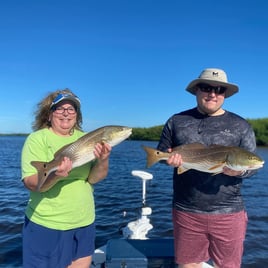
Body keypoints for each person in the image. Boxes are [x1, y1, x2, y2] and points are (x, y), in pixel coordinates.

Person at [157, 68, 258, 268]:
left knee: (229, 265)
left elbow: (253, 164)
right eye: (206, 87)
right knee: (189, 264)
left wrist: (241, 171)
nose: (212, 94)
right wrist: (168, 160)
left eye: (219, 89)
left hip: (229, 212)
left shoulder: (240, 125)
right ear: (196, 90)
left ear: (224, 94)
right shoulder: (177, 121)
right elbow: (161, 154)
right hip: (186, 210)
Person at [21, 88, 112, 268]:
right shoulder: (37, 139)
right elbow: (31, 182)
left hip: (84, 221)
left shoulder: (87, 138)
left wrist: (103, 160)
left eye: (71, 109)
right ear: (49, 114)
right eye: (59, 108)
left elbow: (93, 179)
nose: (66, 113)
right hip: (47, 223)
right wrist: (55, 175)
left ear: (77, 115)